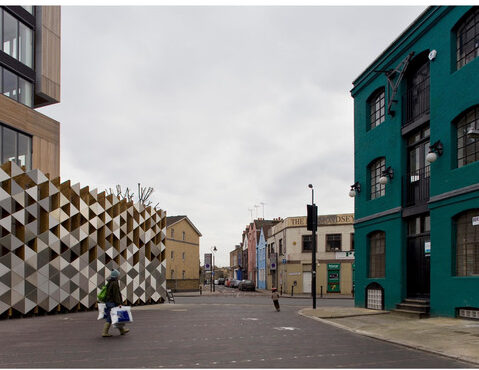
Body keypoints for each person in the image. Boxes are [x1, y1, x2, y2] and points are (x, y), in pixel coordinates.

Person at [102, 269, 129, 337]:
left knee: (115, 316)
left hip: (109, 302)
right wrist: (119, 303)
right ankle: (104, 332)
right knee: (111, 317)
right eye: (118, 275)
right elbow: (116, 294)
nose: (119, 276)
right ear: (116, 276)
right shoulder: (115, 283)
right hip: (112, 302)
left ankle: (122, 330)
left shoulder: (110, 282)